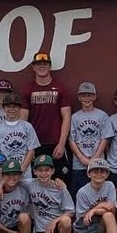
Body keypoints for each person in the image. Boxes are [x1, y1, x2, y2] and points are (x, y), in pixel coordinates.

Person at [20, 52, 73, 181]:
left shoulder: (61, 88)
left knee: (60, 182)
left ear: (50, 67)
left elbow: (66, 117)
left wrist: (61, 143)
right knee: (36, 182)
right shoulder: (27, 90)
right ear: (33, 67)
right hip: (35, 145)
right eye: (38, 64)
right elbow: (23, 121)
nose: (41, 67)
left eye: (45, 64)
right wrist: (28, 148)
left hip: (55, 144)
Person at [27, 153, 74, 233]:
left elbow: (71, 211)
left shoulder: (59, 187)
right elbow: (13, 181)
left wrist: (55, 221)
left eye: (47, 170)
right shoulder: (29, 184)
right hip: (42, 229)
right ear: (35, 172)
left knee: (66, 221)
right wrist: (0, 186)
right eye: (40, 170)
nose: (44, 173)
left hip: (58, 227)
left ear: (52, 171)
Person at [72, 158, 117, 233]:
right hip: (86, 227)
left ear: (107, 174)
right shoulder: (82, 192)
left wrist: (93, 210)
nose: (99, 174)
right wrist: (102, 205)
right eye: (95, 171)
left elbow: (112, 208)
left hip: (101, 223)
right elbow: (84, 218)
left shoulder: (110, 185)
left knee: (108, 215)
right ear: (89, 174)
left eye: (102, 171)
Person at [66, 82, 111, 193]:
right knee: (79, 193)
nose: (87, 98)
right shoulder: (74, 117)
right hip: (79, 164)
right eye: (83, 95)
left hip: (98, 162)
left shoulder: (102, 115)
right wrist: (82, 158)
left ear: (94, 97)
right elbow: (71, 140)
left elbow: (104, 138)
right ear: (79, 97)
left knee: (100, 193)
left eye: (89, 95)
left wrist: (95, 158)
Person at [0, 93, 39, 176]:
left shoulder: (27, 126)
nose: (12, 109)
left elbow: (31, 150)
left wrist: (22, 168)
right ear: (4, 108)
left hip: (24, 173)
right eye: (8, 106)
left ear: (19, 108)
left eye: (15, 107)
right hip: (5, 173)